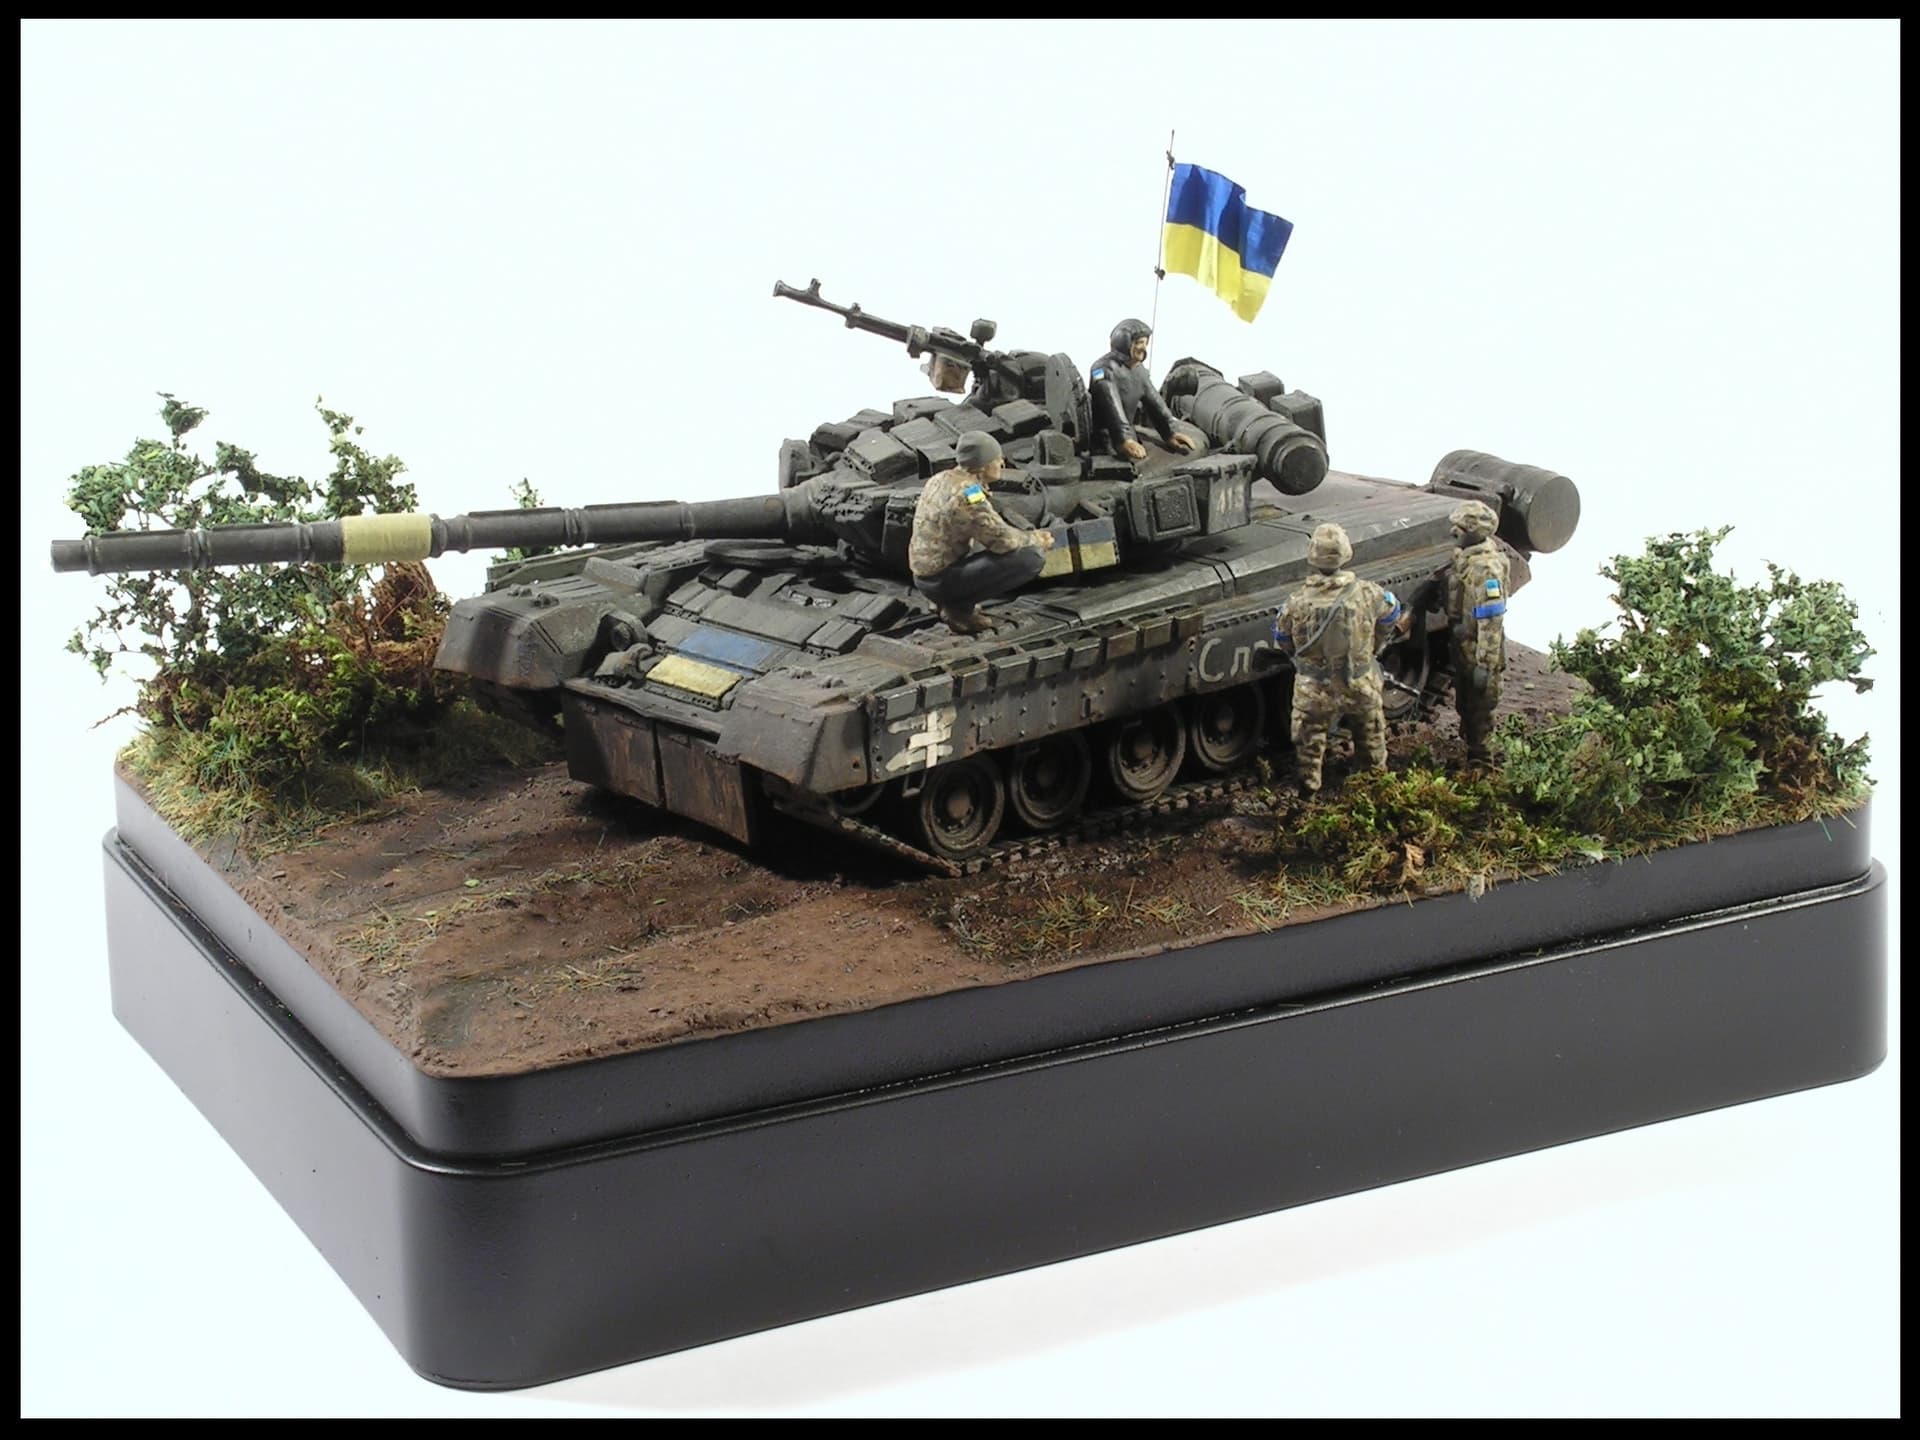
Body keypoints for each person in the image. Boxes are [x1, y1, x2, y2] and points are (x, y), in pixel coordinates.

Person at [1273, 522, 1404, 794]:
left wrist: (1303, 661)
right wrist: (1375, 646)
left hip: (1314, 688)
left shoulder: (1296, 602)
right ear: (1346, 553)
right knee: (1371, 742)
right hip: (1359, 682)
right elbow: (1391, 615)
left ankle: (1308, 796)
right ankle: (1374, 794)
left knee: (1309, 750)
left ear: (1312, 556)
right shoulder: (1369, 593)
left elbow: (1282, 639)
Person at [909, 431, 1054, 635]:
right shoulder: (969, 494)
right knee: (1031, 557)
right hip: (940, 581)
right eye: (997, 459)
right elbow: (1002, 541)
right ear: (983, 465)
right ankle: (958, 609)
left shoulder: (941, 478)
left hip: (924, 575)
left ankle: (947, 601)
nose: (1002, 463)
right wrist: (1035, 539)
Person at [1437, 500, 1511, 764]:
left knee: (1481, 708)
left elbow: (1491, 620)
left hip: (1479, 646)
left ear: (1474, 532)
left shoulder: (1486, 569)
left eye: (1461, 528)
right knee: (1466, 702)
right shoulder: (1465, 557)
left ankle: (1482, 760)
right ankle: (1471, 749)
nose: (1453, 532)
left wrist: (1485, 665)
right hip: (1462, 641)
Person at [1088, 319, 1197, 462]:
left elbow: (1154, 401)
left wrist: (1171, 432)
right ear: (1125, 343)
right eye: (1139, 343)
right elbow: (1110, 403)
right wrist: (1124, 439)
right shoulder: (1102, 370)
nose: (1143, 348)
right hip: (1105, 441)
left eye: (1145, 343)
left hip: (1129, 436)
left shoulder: (1139, 371)